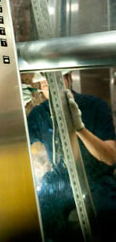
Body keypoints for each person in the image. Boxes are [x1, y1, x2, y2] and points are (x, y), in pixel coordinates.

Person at [24, 71, 116, 241]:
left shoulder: (95, 106)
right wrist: (16, 111)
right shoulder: (39, 113)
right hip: (58, 182)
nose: (51, 90)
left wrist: (80, 128)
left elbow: (110, 157)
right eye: (44, 85)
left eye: (56, 83)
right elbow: (21, 147)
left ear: (69, 79)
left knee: (105, 216)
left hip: (96, 181)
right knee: (37, 219)